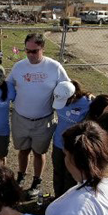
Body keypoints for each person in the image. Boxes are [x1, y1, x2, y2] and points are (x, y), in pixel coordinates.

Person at [7, 33, 70, 199]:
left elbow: (68, 87)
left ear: (43, 48)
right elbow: (7, 85)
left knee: (38, 152)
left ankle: (37, 181)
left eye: (34, 51)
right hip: (20, 118)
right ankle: (21, 176)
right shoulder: (19, 67)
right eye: (27, 51)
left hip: (44, 120)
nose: (30, 55)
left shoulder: (54, 67)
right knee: (22, 150)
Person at [52, 80, 93, 197]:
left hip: (73, 148)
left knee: (70, 176)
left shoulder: (87, 103)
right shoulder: (58, 94)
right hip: (58, 144)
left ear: (73, 95)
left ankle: (67, 200)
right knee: (58, 172)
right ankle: (57, 198)